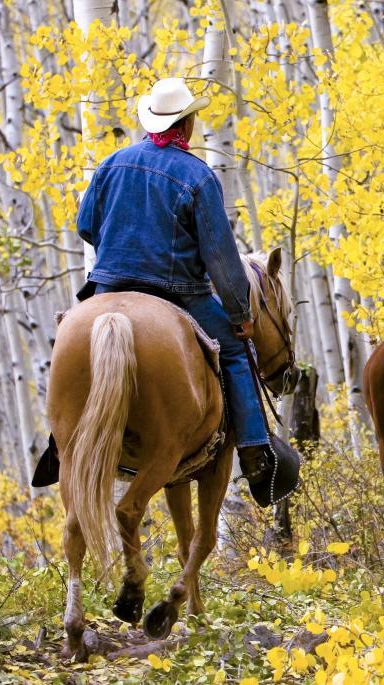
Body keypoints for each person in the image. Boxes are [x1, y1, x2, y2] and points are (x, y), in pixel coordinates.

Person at [74, 77, 275, 505]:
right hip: (178, 293)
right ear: (186, 125)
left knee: (70, 347)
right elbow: (220, 257)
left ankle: (60, 447)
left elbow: (85, 226)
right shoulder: (198, 177)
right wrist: (241, 315)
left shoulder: (112, 163)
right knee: (238, 353)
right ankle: (256, 449)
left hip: (107, 286)